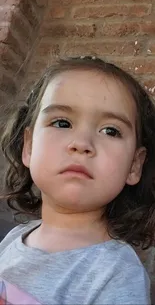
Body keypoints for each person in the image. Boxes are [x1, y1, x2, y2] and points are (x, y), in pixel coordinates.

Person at [0, 56, 155, 304]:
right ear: (29, 146)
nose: (82, 144)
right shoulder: (12, 240)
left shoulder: (117, 274)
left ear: (135, 165)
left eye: (110, 131)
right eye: (62, 123)